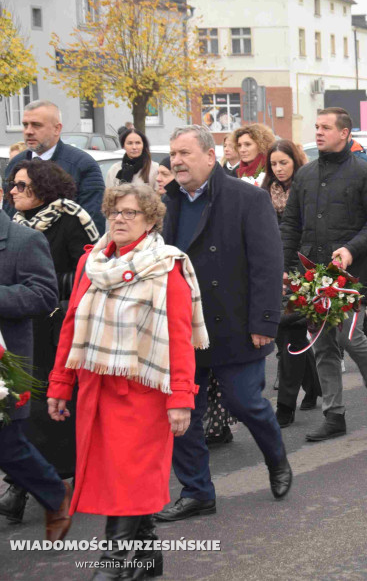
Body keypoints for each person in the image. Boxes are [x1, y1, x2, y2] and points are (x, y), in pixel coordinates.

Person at [47, 183, 205, 575]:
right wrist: (60, 384)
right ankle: (149, 558)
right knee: (121, 479)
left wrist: (181, 398)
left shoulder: (166, 266)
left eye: (130, 212)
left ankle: (114, 562)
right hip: (95, 390)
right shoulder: (92, 262)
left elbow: (179, 339)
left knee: (127, 480)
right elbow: (71, 328)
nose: (119, 218)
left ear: (151, 220)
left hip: (145, 393)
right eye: (114, 211)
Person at [157, 125, 291, 522]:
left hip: (234, 321)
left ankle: (277, 459)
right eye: (172, 153)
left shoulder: (246, 197)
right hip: (182, 326)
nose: (176, 161)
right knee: (184, 411)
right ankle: (197, 491)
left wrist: (265, 320)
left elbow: (268, 264)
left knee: (244, 402)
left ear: (211, 156)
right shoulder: (166, 202)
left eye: (184, 153)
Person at [279, 108, 367, 443]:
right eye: (316, 127)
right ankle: (334, 414)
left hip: (348, 275)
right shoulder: (306, 174)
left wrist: (352, 249)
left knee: (348, 336)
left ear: (344, 132)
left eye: (326, 127)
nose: (318, 132)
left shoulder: (364, 172)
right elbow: (291, 224)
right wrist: (286, 266)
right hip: (310, 272)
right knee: (324, 346)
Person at [1, 161, 98, 519]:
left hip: (56, 325)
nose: (14, 192)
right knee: (24, 416)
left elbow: (90, 267)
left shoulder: (70, 217)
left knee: (43, 412)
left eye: (23, 186)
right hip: (24, 327)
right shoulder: (14, 224)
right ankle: (24, 490)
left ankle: (44, 487)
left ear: (43, 187)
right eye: (13, 185)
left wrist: (63, 302)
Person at [0, 208, 70, 542]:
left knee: (9, 446)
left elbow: (44, 295)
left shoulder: (24, 240)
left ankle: (55, 495)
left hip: (5, 365)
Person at [262, 140, 319, 428]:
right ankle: (314, 385)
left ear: (295, 162)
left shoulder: (307, 187)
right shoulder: (264, 192)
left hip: (300, 268)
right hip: (272, 269)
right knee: (286, 335)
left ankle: (285, 405)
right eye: (274, 164)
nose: (279, 169)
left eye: (283, 162)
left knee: (292, 333)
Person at [3, 100, 106, 234]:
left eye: (36, 125)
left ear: (57, 129)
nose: (28, 131)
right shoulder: (15, 163)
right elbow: (8, 214)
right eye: (25, 125)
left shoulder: (82, 165)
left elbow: (93, 223)